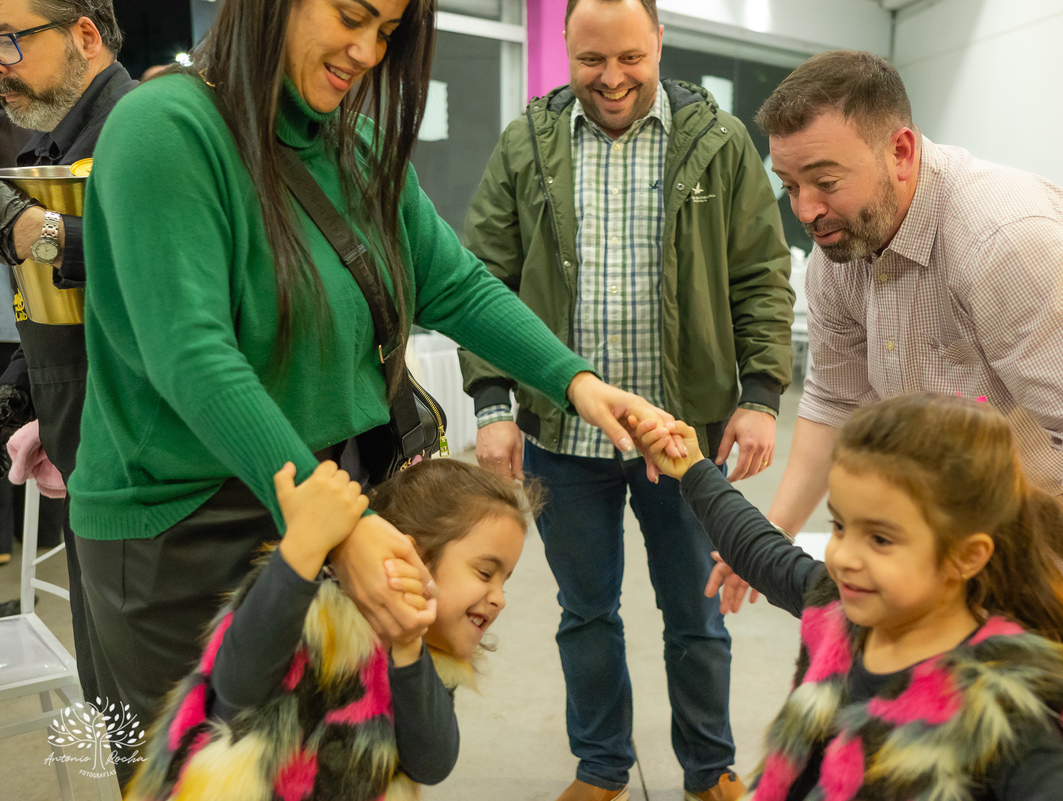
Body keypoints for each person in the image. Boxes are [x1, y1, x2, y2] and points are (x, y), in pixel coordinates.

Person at [70, 0, 681, 786]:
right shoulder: (166, 131)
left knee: (325, 766)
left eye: (388, 31)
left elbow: (454, 284)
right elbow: (195, 358)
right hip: (182, 532)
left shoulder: (354, 144)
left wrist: (576, 380)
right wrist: (345, 527)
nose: (366, 50)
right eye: (352, 15)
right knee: (204, 772)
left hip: (317, 505)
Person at [735, 50, 1063, 795]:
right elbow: (832, 399)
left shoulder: (1009, 242)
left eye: (825, 181)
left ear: (901, 150)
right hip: (996, 492)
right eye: (790, 185)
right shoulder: (839, 253)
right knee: (955, 694)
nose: (807, 208)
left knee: (1053, 716)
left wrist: (1058, 658)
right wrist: (779, 524)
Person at [458, 0, 793, 798]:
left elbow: (760, 272)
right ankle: (602, 766)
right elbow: (483, 276)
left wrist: (761, 393)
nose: (612, 79)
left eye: (631, 58)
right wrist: (493, 404)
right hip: (562, 439)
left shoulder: (718, 143)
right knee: (585, 613)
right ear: (566, 51)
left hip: (683, 439)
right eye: (591, 60)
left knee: (697, 616)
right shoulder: (528, 144)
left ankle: (709, 768)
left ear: (660, 45)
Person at [634, 394, 1063, 801]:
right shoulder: (845, 611)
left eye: (881, 538)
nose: (845, 556)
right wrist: (694, 470)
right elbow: (760, 551)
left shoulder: (1003, 706)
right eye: (841, 527)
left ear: (965, 556)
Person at [125, 458, 536, 801]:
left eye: (506, 580)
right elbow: (236, 687)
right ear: (412, 554)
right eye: (486, 572)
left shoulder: (427, 653)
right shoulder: (312, 604)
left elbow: (431, 763)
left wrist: (408, 649)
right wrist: (300, 550)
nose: (499, 598)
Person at [0, 0, 135, 703]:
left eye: (10, 41)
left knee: (162, 715)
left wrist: (35, 230)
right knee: (112, 699)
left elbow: (156, 268)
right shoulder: (44, 150)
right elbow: (60, 313)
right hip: (90, 468)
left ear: (85, 33)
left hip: (149, 482)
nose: (0, 62)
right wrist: (22, 389)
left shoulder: (144, 134)